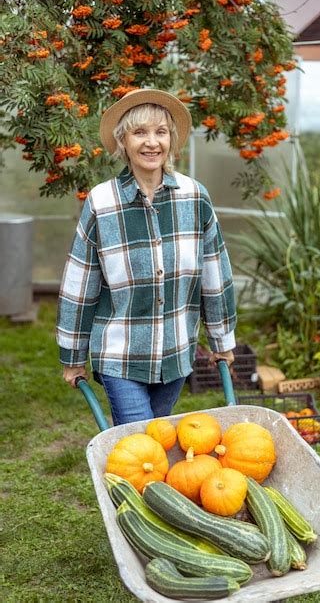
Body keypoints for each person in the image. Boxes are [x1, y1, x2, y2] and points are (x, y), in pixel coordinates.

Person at [56, 88, 236, 425]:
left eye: (160, 132)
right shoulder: (102, 203)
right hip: (121, 354)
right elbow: (80, 286)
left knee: (157, 439)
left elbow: (215, 274)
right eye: (140, 132)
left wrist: (222, 340)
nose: (151, 142)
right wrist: (73, 355)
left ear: (171, 140)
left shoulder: (195, 197)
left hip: (176, 352)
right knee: (140, 440)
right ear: (123, 141)